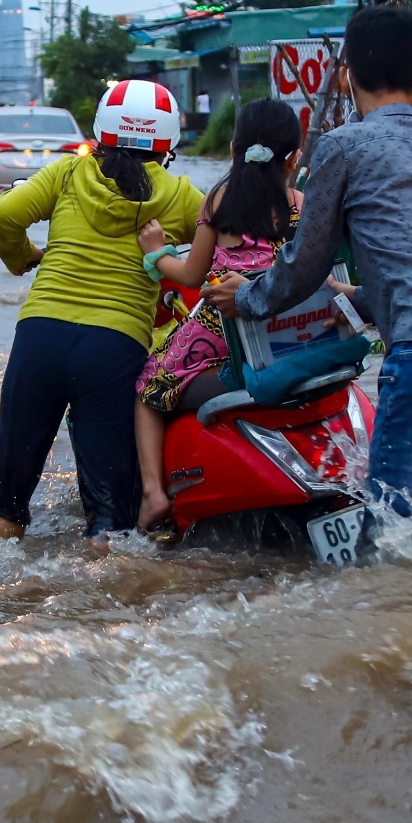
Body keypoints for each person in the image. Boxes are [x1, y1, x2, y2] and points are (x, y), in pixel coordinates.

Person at [203, 5, 412, 541]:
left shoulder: (342, 147)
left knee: (398, 539)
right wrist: (354, 302)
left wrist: (247, 298)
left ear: (344, 77)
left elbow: (304, 263)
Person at [0, 80, 203, 542]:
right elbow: (223, 252)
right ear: (168, 143)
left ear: (101, 130)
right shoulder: (181, 196)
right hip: (114, 348)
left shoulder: (67, 173)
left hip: (40, 335)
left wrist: (23, 258)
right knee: (111, 523)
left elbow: (4, 215)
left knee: (3, 503)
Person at [132, 99, 303, 528]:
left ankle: (152, 494)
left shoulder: (218, 200)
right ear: (295, 159)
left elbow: (191, 275)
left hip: (221, 332)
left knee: (148, 386)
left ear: (233, 150)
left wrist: (157, 253)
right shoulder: (303, 204)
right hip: (286, 335)